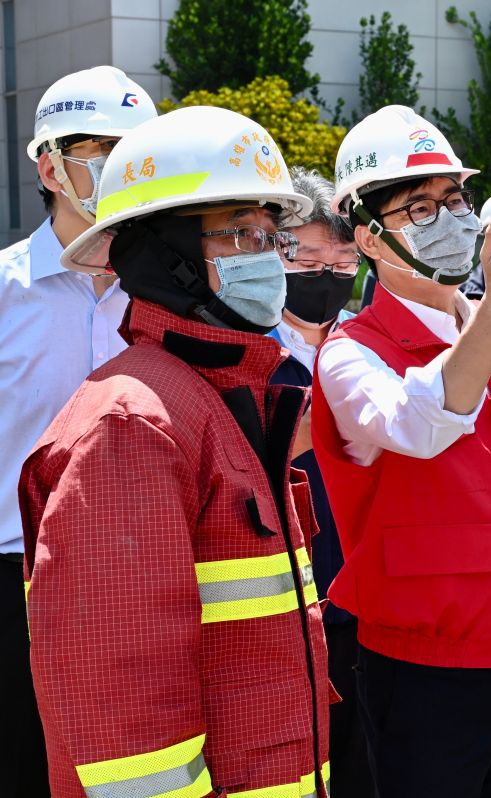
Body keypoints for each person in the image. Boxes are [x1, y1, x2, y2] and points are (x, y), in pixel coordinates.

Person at [21, 105, 331, 798]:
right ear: (168, 257)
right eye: (239, 233)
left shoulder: (216, 400)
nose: (265, 255)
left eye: (267, 233)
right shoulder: (132, 426)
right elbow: (122, 719)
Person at [310, 105, 491, 798]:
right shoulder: (351, 352)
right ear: (369, 240)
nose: (453, 218)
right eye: (420, 208)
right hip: (423, 672)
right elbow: (422, 424)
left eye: (455, 199)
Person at [0, 65, 156, 798]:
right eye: (102, 151)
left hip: (151, 574)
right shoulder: (4, 293)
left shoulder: (173, 294)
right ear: (49, 164)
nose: (119, 169)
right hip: (18, 583)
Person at [267, 166, 371, 798]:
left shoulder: (367, 345)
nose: (326, 276)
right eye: (308, 258)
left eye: (342, 262)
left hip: (362, 587)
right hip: (279, 591)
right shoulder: (247, 345)